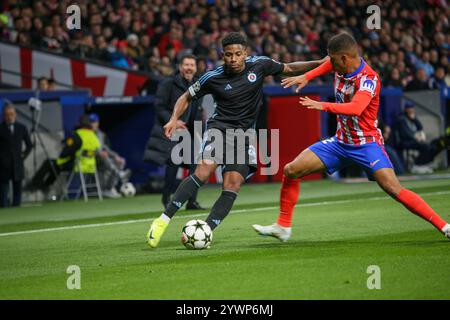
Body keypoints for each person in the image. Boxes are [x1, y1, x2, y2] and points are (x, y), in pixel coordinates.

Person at [253, 32, 450, 241]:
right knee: (291, 170)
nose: (330, 63)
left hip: (367, 144)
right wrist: (307, 76)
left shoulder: (369, 79)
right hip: (340, 142)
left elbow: (356, 108)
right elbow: (327, 64)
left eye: (333, 58)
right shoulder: (340, 65)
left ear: (344, 58)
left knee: (393, 188)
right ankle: (283, 227)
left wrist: (323, 105)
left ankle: (444, 226)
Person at [146, 32, 327, 248]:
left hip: (244, 136)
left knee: (232, 184)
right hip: (219, 129)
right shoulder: (212, 77)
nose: (233, 59)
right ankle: (162, 221)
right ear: (223, 55)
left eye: (237, 54)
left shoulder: (260, 65)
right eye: (229, 55)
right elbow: (186, 96)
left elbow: (289, 67)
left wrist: (319, 63)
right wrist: (174, 118)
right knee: (203, 171)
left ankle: (205, 231)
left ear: (245, 54)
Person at [143, 54, 205, 209]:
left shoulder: (198, 85)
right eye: (186, 65)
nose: (189, 67)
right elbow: (159, 106)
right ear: (180, 67)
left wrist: (199, 130)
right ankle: (167, 198)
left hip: (189, 132)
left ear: (196, 68)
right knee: (173, 164)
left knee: (195, 165)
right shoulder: (168, 83)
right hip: (172, 130)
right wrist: (173, 121)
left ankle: (191, 201)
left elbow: (197, 110)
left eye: (192, 65)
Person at [29, 115, 101, 194]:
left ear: (79, 123)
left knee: (50, 163)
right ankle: (45, 186)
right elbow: (96, 150)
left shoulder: (77, 135)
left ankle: (35, 185)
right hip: (90, 167)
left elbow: (65, 153)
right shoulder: (94, 136)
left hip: (76, 165)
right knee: (55, 166)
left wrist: (65, 146)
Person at [393, 101, 449, 170]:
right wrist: (415, 137)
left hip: (412, 140)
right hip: (404, 142)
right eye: (409, 108)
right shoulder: (402, 119)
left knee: (430, 145)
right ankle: (417, 165)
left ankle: (423, 163)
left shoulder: (411, 117)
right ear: (405, 109)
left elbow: (420, 127)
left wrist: (414, 119)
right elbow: (405, 133)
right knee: (425, 146)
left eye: (412, 108)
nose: (411, 109)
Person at [89, 113, 131, 198]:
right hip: (92, 158)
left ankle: (110, 188)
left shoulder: (100, 134)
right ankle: (120, 174)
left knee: (119, 161)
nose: (93, 124)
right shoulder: (88, 133)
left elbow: (104, 147)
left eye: (94, 122)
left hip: (102, 158)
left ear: (98, 122)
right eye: (91, 122)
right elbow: (88, 148)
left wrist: (116, 156)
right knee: (105, 157)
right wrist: (98, 153)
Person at [0, 103, 32, 207]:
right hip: (3, 165)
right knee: (3, 191)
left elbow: (29, 145)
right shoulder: (1, 128)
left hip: (17, 164)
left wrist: (23, 156)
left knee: (17, 190)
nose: (9, 117)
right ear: (4, 115)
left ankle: (16, 209)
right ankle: (3, 210)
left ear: (15, 114)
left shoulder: (21, 128)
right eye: (7, 114)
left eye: (11, 114)